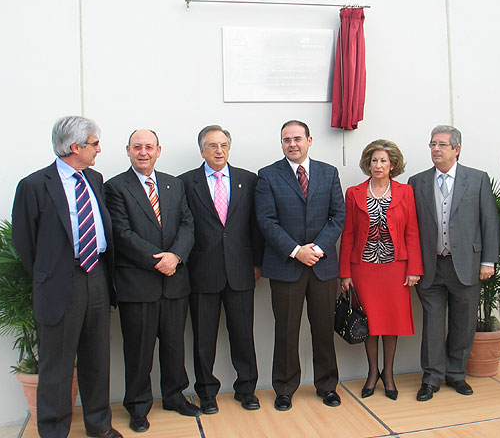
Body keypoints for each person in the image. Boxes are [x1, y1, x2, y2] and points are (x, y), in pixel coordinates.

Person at [11, 116, 123, 438]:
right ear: (75, 147)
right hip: (61, 282)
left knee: (97, 360)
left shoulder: (95, 179)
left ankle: (99, 427)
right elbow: (26, 243)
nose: (99, 150)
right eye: (94, 143)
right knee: (57, 365)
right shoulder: (34, 185)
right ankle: (53, 431)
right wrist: (53, 275)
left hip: (97, 276)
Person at [105, 130, 199, 433]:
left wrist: (176, 257)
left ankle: (174, 396)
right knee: (139, 351)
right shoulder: (115, 187)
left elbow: (188, 224)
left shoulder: (174, 184)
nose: (143, 152)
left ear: (159, 150)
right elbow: (121, 233)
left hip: (174, 282)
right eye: (137, 147)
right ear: (128, 151)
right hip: (138, 285)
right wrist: (160, 260)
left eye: (149, 147)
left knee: (174, 347)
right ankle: (137, 406)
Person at [255, 120, 345, 411]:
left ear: (309, 140)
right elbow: (266, 221)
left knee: (323, 328)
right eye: (286, 139)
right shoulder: (268, 176)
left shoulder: (329, 173)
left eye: (297, 138)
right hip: (286, 266)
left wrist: (316, 249)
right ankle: (284, 388)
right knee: (286, 330)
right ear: (281, 143)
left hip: (322, 266)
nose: (292, 143)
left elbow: (338, 216)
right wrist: (296, 251)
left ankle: (327, 385)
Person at [409, 125, 499, 402]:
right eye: (432, 144)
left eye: (442, 145)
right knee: (433, 325)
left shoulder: (477, 179)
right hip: (431, 265)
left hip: (467, 264)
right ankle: (432, 377)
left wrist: (488, 261)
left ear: (456, 149)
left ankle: (457, 374)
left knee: (464, 323)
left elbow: (489, 221)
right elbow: (410, 227)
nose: (436, 149)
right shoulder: (417, 182)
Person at [178, 125, 264, 414]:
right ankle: (206, 392)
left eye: (224, 145)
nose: (218, 151)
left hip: (241, 270)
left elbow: (256, 225)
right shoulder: (185, 182)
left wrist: (256, 263)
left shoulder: (248, 180)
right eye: (212, 145)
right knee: (203, 339)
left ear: (229, 148)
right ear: (202, 150)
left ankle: (247, 389)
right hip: (202, 272)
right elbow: (184, 226)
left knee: (243, 335)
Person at [339, 140, 423, 400]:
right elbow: (348, 234)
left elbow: (412, 231)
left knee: (391, 323)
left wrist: (414, 269)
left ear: (393, 164)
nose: (378, 165)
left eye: (383, 161)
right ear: (368, 163)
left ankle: (389, 375)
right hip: (363, 268)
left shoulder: (405, 192)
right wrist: (345, 273)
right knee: (370, 323)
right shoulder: (354, 193)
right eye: (374, 160)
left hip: (395, 268)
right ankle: (372, 373)